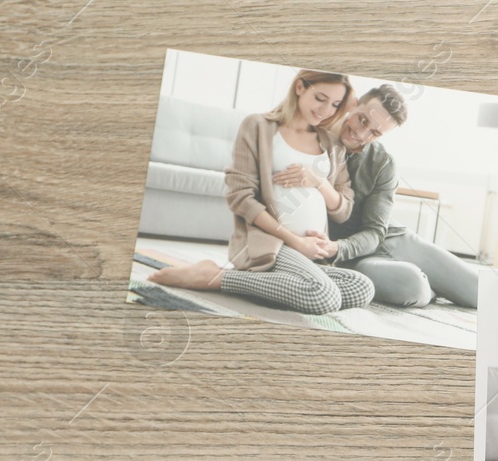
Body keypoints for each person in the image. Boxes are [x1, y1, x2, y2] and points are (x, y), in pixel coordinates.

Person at [148, 70, 376, 316]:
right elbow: (241, 198)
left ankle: (280, 286)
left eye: (334, 104)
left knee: (362, 287)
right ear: (300, 87)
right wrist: (297, 242)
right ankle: (214, 277)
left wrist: (319, 181)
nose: (325, 110)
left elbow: (343, 211)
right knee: (323, 297)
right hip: (272, 244)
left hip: (313, 252)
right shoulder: (259, 127)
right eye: (320, 98)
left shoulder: (332, 146)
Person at [325, 84, 483, 310]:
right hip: (352, 260)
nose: (362, 133)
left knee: (481, 292)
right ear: (353, 105)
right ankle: (430, 287)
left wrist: (338, 247)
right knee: (414, 287)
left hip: (390, 238)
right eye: (362, 120)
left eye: (375, 132)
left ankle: (431, 280)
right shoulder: (312, 140)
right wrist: (336, 250)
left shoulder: (383, 162)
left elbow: (375, 231)